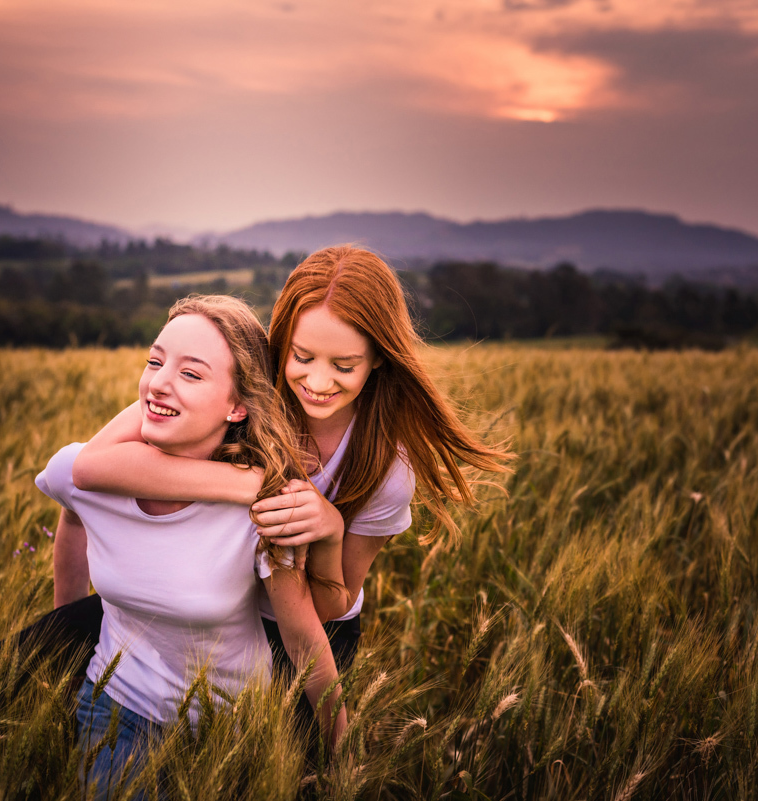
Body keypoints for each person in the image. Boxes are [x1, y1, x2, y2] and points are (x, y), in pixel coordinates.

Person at [69, 245, 511, 688]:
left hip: (310, 637)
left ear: (378, 357)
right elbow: (92, 467)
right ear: (280, 343)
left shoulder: (387, 467)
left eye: (344, 365)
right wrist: (250, 482)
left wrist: (331, 530)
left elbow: (334, 605)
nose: (318, 384)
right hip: (194, 611)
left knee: (297, 754)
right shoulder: (236, 392)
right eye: (302, 357)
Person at [35, 295, 346, 798]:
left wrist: (340, 751)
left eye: (191, 374)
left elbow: (305, 641)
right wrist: (66, 623)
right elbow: (72, 513)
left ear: (239, 405)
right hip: (116, 711)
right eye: (155, 362)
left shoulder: (264, 512)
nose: (158, 382)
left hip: (238, 725)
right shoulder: (86, 473)